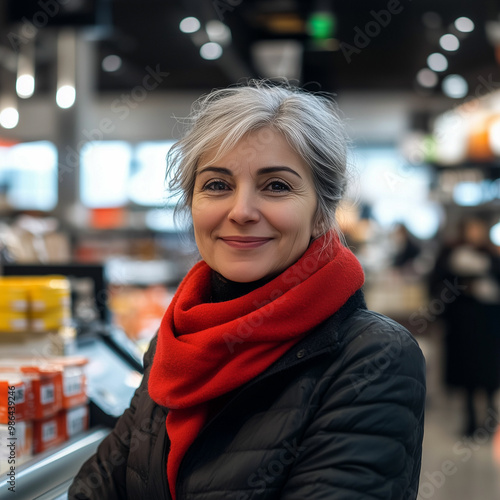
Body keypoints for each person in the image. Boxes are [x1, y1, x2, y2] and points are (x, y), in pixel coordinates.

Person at [69, 80, 426, 499]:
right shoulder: (176, 343)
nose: (241, 212)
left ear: (320, 215)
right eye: (217, 185)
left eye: (276, 186)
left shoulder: (373, 355)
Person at [430, 216, 500, 436]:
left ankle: (490, 419)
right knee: (467, 375)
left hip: (488, 325)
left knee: (489, 375)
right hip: (463, 325)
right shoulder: (449, 255)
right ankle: (470, 421)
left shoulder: (491, 255)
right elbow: (437, 285)